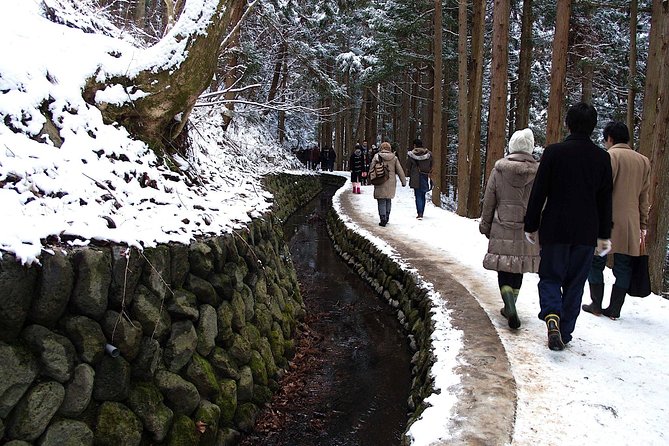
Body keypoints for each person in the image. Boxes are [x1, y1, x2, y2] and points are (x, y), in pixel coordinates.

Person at [524, 102, 613, 351]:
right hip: (586, 231)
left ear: (568, 124)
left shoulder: (554, 153)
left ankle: (552, 314)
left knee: (551, 275)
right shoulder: (602, 158)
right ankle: (565, 330)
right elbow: (605, 199)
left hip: (555, 228)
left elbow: (539, 192)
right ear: (594, 127)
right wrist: (604, 234)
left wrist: (531, 224)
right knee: (575, 282)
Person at [583, 121, 651, 320]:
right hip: (631, 221)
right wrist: (643, 223)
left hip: (606, 218)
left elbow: (601, 190)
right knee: (623, 265)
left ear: (610, 138)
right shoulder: (643, 161)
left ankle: (596, 304)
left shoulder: (609, 156)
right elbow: (644, 197)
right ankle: (615, 309)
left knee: (596, 261)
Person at [480, 128, 540, 329]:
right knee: (518, 267)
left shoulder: (499, 170)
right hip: (527, 228)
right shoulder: (538, 172)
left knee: (504, 267)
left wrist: (485, 224)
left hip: (502, 224)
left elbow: (489, 199)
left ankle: (508, 305)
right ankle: (511, 304)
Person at [368, 141, 406, 226]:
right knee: (388, 199)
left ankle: (382, 218)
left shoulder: (377, 156)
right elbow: (400, 170)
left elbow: (371, 168)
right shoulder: (394, 158)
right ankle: (387, 216)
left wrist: (370, 177)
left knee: (381, 200)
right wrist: (403, 181)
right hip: (391, 182)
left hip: (380, 180)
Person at [406, 138, 433, 220]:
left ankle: (419, 213)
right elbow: (432, 164)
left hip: (415, 176)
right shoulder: (429, 154)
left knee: (417, 195)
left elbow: (408, 166)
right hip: (425, 175)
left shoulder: (411, 155)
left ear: (415, 145)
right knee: (423, 194)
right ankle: (422, 212)